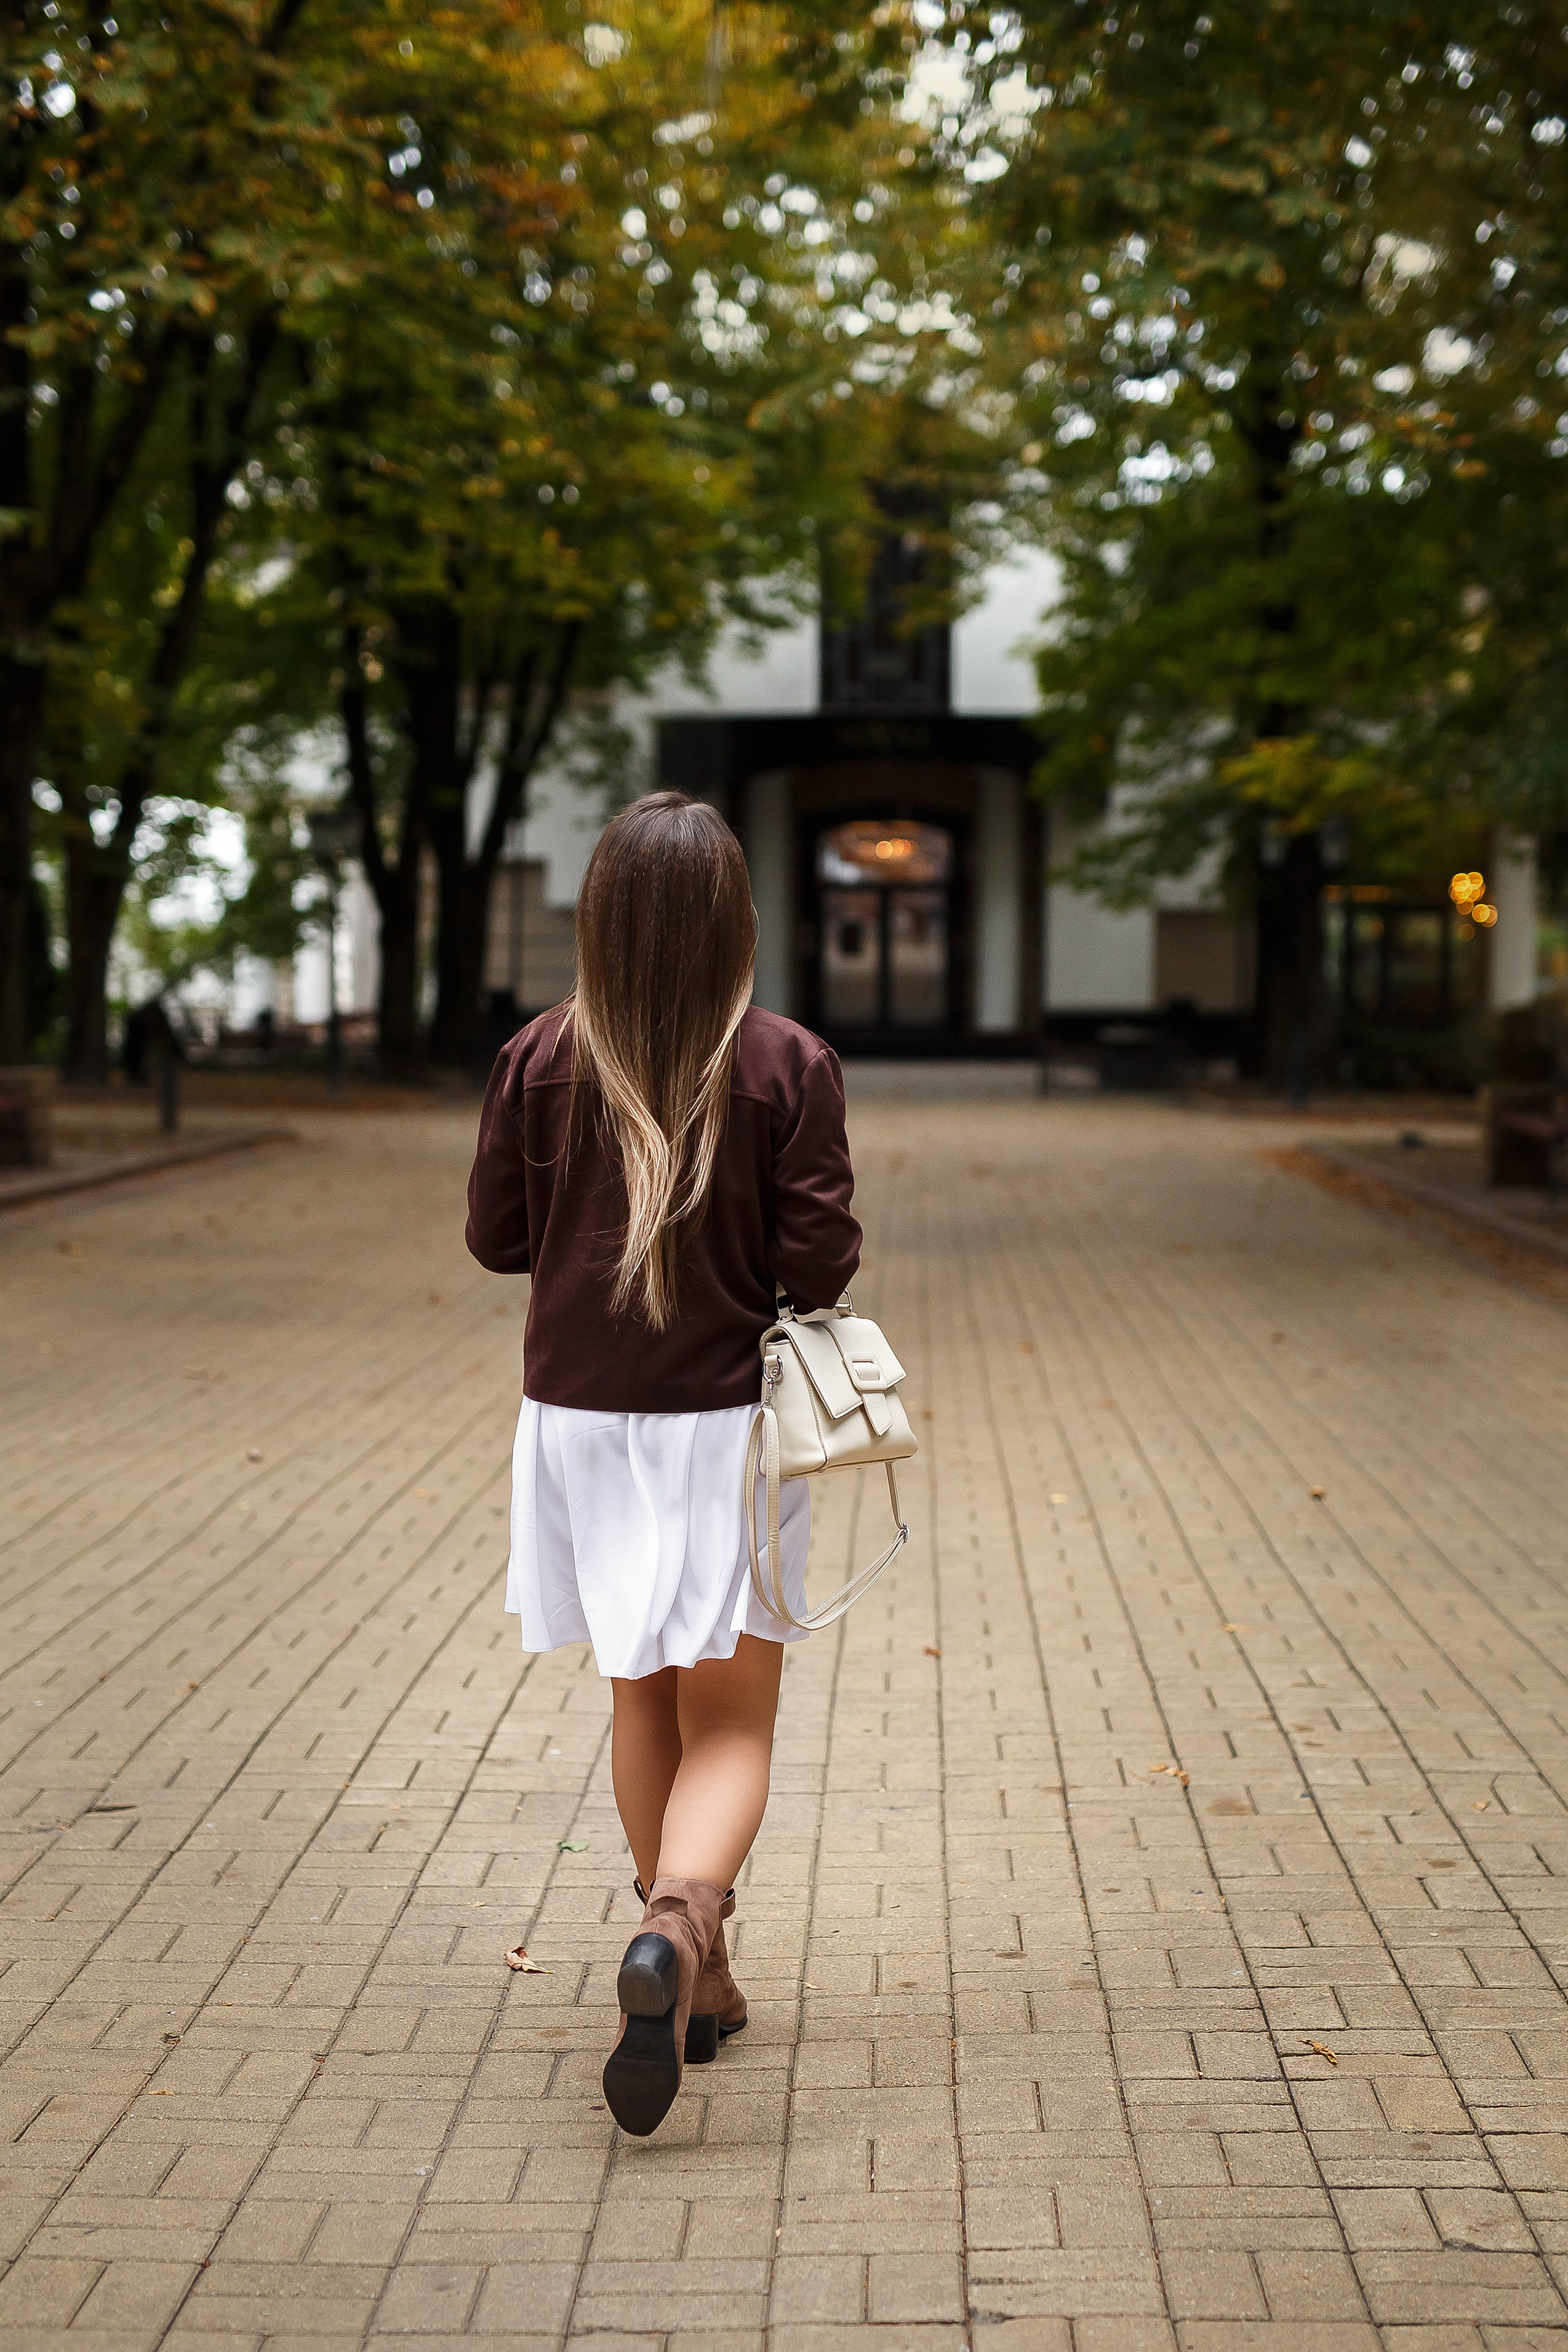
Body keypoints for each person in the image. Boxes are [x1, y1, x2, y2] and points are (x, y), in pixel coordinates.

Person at [465, 791, 861, 2136]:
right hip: (727, 1428)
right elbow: (818, 1264)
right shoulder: (785, 1062)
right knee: (733, 1717)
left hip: (577, 1418)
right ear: (733, 922)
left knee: (639, 1695)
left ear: (600, 919)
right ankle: (681, 1931)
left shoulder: (536, 1055)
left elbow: (494, 1239)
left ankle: (691, 1974)